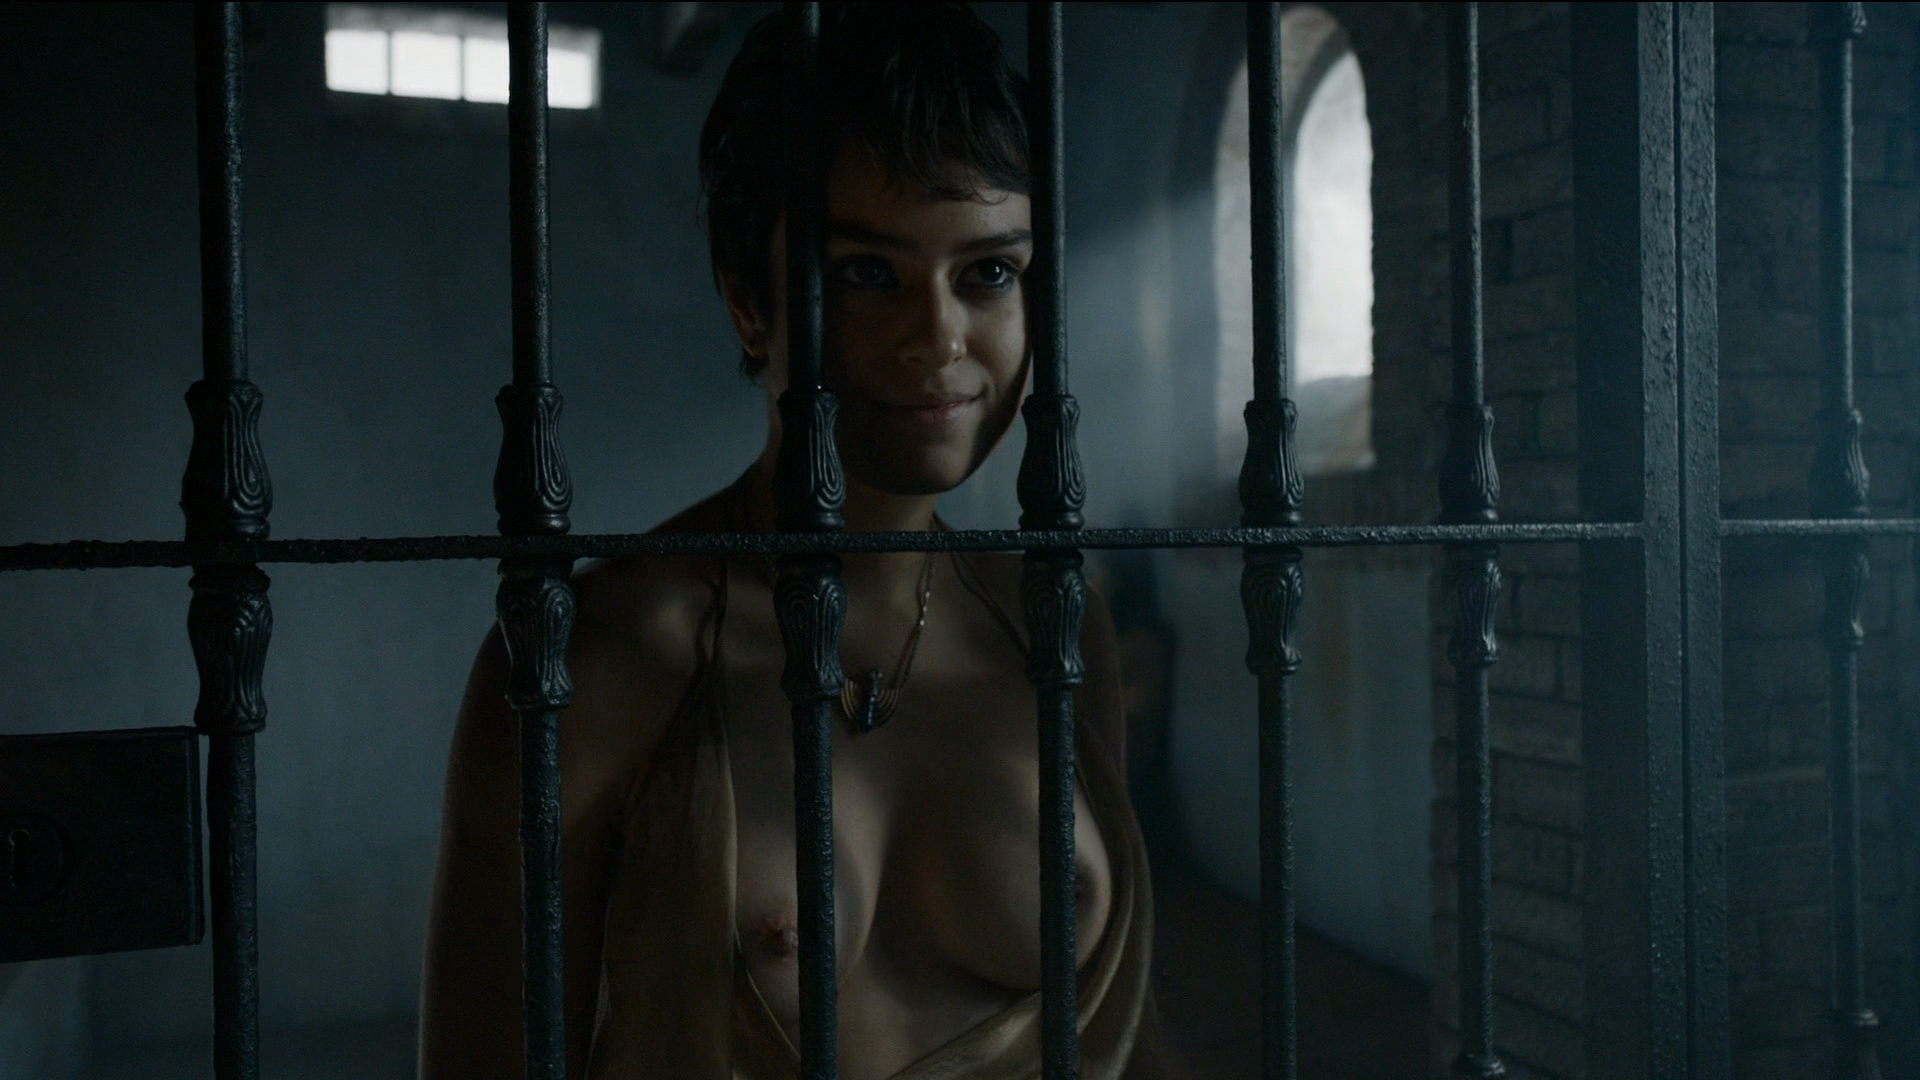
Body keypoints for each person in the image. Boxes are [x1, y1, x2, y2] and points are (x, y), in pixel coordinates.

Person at [420, 7, 1177, 1077]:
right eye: (867, 273)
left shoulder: (1049, 617)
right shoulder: (606, 652)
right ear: (749, 301)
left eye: (988, 273)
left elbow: (1125, 1040)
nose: (939, 338)